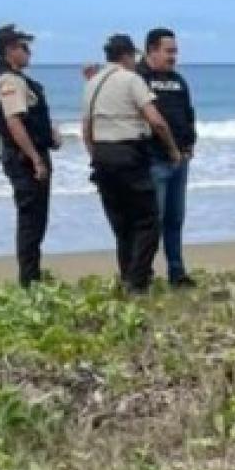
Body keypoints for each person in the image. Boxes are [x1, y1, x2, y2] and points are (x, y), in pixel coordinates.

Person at [82, 34, 182, 295]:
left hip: (102, 155)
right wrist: (172, 149)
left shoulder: (92, 83)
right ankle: (138, 282)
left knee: (121, 224)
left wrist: (96, 155)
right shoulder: (131, 79)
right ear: (127, 56)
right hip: (129, 153)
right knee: (148, 221)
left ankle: (128, 274)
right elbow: (156, 120)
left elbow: (86, 129)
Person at [0, 24, 60, 286]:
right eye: (23, 47)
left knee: (37, 220)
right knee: (31, 221)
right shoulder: (9, 81)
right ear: (9, 50)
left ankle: (33, 277)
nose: (29, 52)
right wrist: (35, 158)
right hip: (24, 159)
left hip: (29, 155)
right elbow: (14, 122)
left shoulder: (20, 80)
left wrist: (50, 135)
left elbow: (31, 117)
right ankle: (29, 281)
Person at [136, 28, 198, 288]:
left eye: (175, 51)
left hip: (180, 159)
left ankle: (177, 271)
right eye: (168, 51)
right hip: (154, 160)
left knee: (175, 219)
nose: (173, 56)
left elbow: (187, 113)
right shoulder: (139, 79)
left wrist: (190, 141)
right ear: (151, 50)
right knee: (154, 221)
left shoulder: (178, 80)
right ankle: (144, 273)